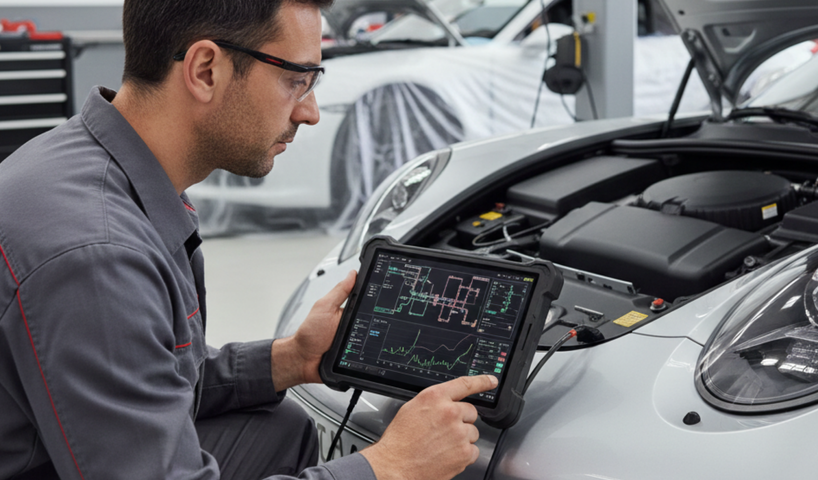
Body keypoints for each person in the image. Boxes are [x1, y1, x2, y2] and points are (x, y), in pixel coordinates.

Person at [0, 0, 497, 479]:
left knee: (277, 429)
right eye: (296, 80)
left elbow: (150, 377)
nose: (310, 112)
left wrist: (291, 358)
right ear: (205, 71)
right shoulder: (97, 254)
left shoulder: (94, 164)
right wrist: (388, 468)